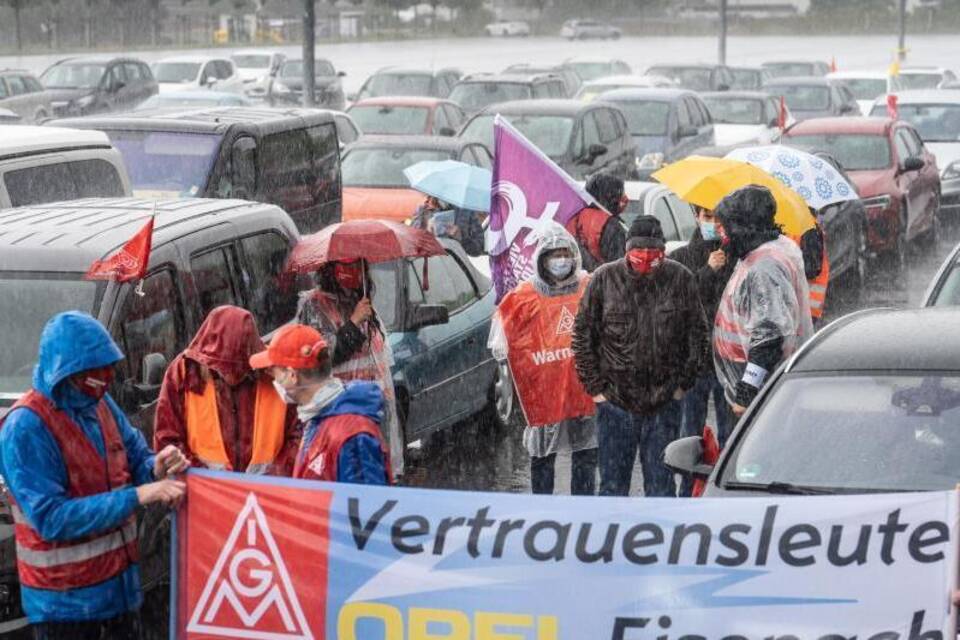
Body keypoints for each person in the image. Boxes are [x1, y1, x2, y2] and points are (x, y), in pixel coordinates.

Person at [0, 311, 188, 639]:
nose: (104, 381)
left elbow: (135, 456)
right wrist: (139, 495)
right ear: (66, 373)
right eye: (92, 373)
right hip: (65, 608)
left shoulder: (99, 403)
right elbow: (52, 519)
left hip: (120, 595)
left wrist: (155, 466)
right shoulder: (25, 427)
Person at [572, 216, 709, 497]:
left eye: (653, 253)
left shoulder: (681, 278)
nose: (646, 259)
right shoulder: (604, 279)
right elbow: (583, 336)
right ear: (626, 249)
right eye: (639, 252)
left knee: (661, 486)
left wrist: (682, 384)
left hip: (664, 403)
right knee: (612, 486)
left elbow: (697, 335)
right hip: (615, 404)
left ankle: (661, 539)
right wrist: (596, 389)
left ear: (663, 250)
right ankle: (612, 539)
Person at [488, 223, 598, 495]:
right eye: (553, 254)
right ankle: (542, 508)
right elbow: (499, 337)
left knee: (585, 455)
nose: (560, 260)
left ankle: (584, 510)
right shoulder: (524, 296)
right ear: (541, 259)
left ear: (574, 256)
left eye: (565, 253)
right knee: (542, 458)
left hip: (583, 390)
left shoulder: (590, 287)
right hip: (545, 392)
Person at [154, 305, 299, 475]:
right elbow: (167, 441)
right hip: (207, 495)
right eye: (223, 372)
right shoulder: (183, 373)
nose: (231, 379)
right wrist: (206, 481)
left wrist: (275, 475)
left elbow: (299, 435)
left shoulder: (276, 372)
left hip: (267, 494)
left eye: (240, 371)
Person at [713, 186, 814, 417]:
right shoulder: (768, 249)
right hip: (754, 377)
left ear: (742, 227)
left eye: (726, 225)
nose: (721, 231)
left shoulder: (764, 267)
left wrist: (747, 391)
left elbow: (769, 334)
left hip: (757, 386)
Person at [297, 260, 402, 477]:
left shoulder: (361, 301)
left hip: (373, 408)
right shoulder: (315, 306)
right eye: (348, 265)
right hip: (340, 412)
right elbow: (320, 357)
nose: (355, 272)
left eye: (359, 265)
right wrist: (353, 324)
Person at [250, 324, 391, 484]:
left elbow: (364, 504)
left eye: (273, 372)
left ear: (291, 376)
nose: (272, 378)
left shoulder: (351, 434)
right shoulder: (319, 418)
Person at [669, 205, 736, 449]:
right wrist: (708, 271)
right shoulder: (679, 258)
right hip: (693, 360)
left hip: (726, 357)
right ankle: (689, 484)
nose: (713, 223)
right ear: (697, 218)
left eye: (719, 217)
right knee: (690, 433)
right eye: (708, 216)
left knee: (730, 431)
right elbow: (679, 301)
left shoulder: (736, 258)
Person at [565, 172, 628, 271]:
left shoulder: (574, 219)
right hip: (600, 283)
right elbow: (618, 270)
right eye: (620, 193)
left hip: (575, 282)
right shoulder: (611, 225)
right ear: (611, 197)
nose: (623, 198)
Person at [411, 194, 484, 256]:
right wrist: (426, 230)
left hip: (457, 266)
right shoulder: (422, 211)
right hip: (432, 266)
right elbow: (411, 247)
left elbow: (478, 250)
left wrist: (462, 239)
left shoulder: (466, 212)